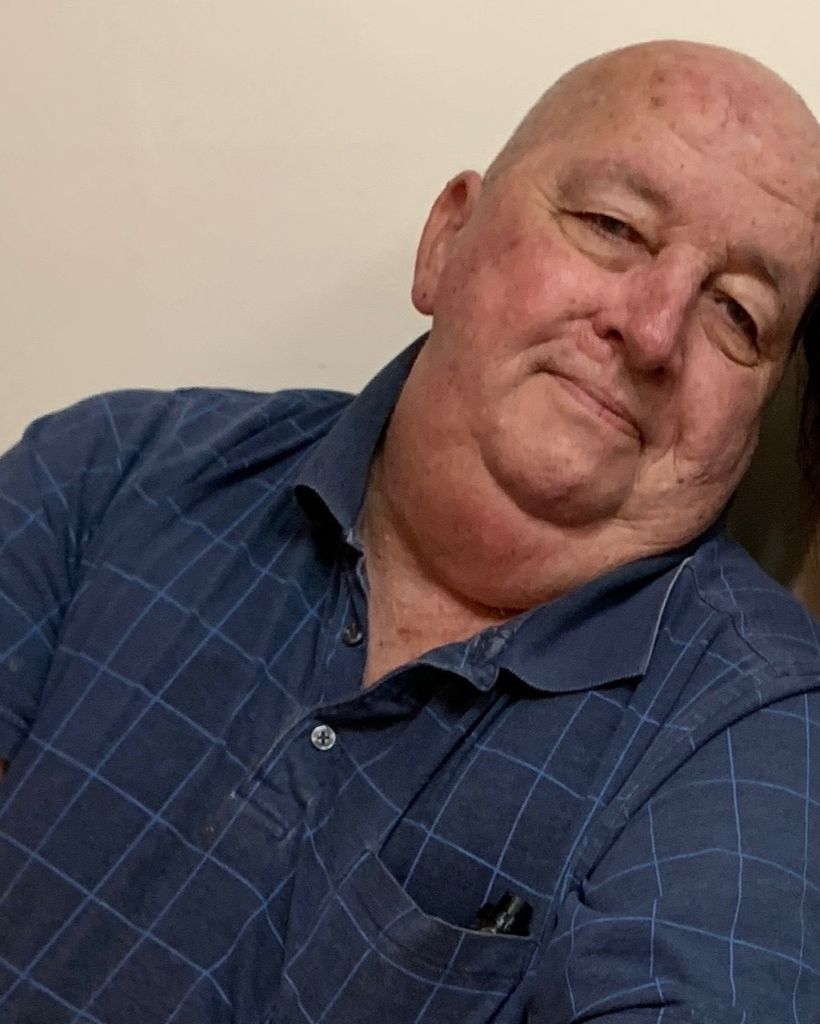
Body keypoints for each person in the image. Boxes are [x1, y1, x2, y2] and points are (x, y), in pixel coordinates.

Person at [1, 38, 819, 1024]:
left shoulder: (756, 730)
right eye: (612, 226)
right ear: (447, 240)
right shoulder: (110, 473)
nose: (651, 332)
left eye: (737, 313)